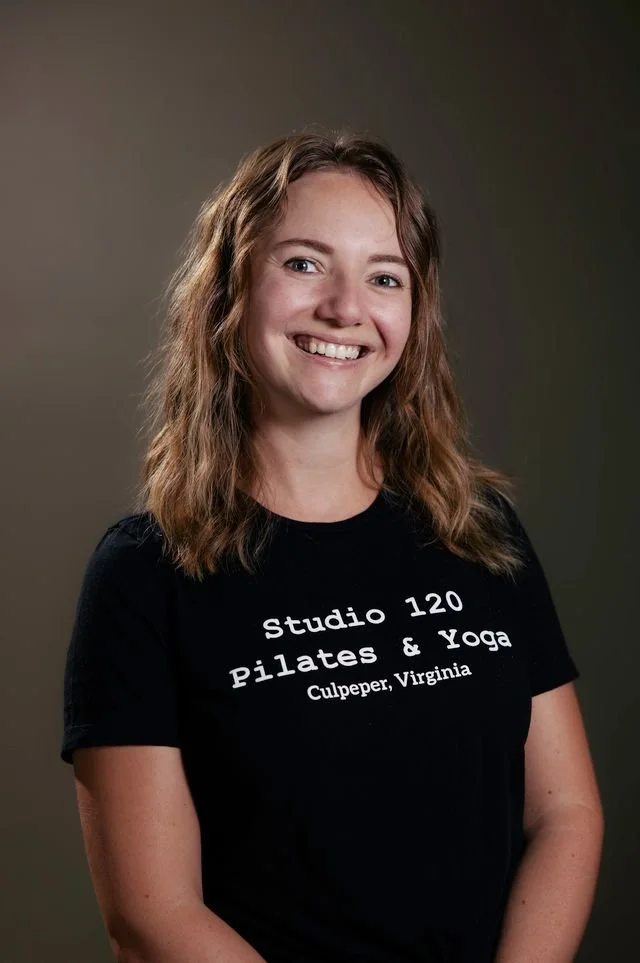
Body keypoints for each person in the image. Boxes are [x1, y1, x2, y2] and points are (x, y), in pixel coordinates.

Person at [60, 128, 604, 963]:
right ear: (229, 289)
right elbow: (153, 913)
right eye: (305, 263)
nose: (346, 308)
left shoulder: (480, 529)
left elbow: (565, 810)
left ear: (412, 315)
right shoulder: (145, 575)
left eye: (384, 277)